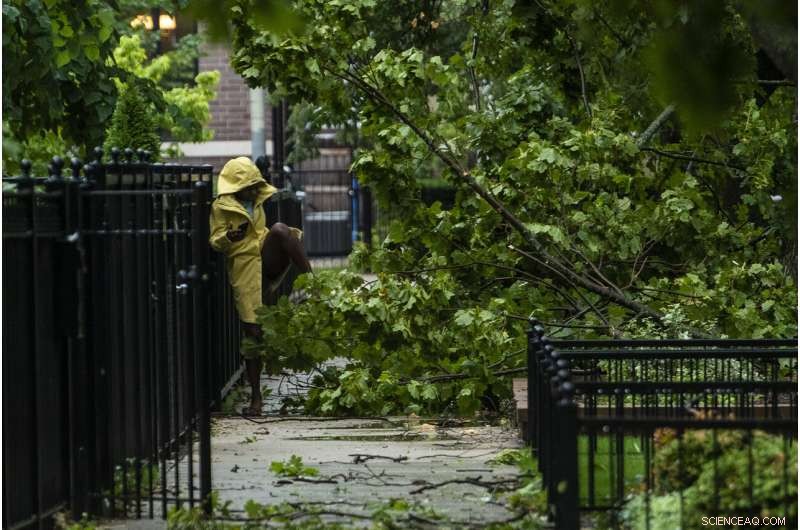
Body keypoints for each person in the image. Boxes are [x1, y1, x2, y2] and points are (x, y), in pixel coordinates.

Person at [209, 157, 312, 415]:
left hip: (265, 254)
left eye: (257, 185)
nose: (255, 191)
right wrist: (228, 237)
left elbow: (266, 230)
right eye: (250, 186)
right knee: (253, 334)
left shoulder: (256, 202)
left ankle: (313, 282)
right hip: (244, 267)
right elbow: (214, 241)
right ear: (237, 186)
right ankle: (256, 399)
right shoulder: (221, 207)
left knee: (280, 229)